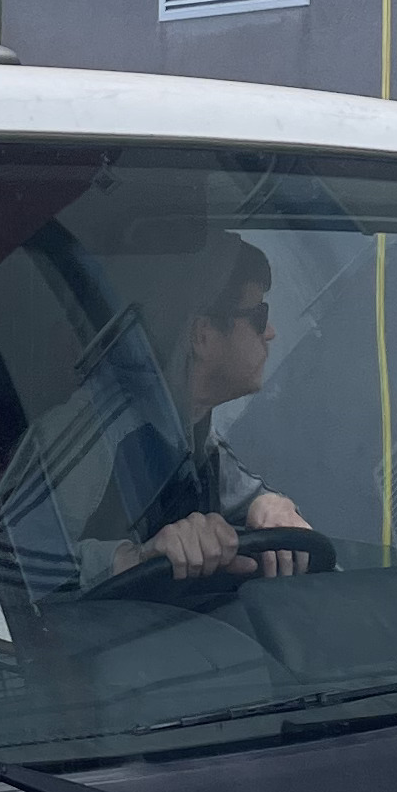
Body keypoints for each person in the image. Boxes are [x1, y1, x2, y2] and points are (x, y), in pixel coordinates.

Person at [111, 233, 315, 584]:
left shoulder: (193, 431)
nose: (270, 333)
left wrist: (268, 506)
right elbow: (11, 554)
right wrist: (135, 557)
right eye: (258, 315)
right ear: (203, 335)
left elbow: (239, 491)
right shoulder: (103, 430)